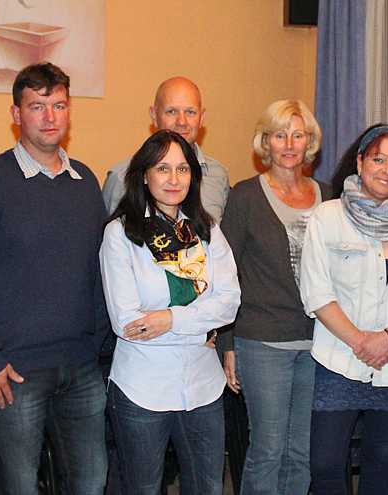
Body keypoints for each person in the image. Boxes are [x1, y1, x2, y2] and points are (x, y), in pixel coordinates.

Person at [0, 63, 109, 495]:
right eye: (37, 106)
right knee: (20, 485)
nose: (50, 116)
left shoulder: (85, 182)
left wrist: (95, 341)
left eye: (58, 105)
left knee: (91, 481)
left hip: (81, 365)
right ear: (16, 114)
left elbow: (99, 267)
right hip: (13, 372)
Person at [302, 124, 388, 495]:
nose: (387, 170)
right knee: (325, 464)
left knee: (381, 464)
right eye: (379, 159)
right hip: (338, 360)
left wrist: (387, 338)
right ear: (360, 162)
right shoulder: (327, 217)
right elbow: (316, 292)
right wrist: (361, 341)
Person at [100, 129, 241, 494]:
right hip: (142, 387)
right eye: (163, 169)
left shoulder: (206, 230)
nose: (174, 179)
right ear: (144, 175)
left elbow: (229, 302)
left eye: (182, 169)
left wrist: (170, 319)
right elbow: (128, 322)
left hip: (203, 386)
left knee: (207, 487)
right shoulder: (120, 234)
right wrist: (202, 326)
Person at [218, 99, 329, 495]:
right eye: (280, 135)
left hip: (319, 343)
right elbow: (225, 274)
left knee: (302, 452)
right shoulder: (245, 196)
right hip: (263, 342)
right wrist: (227, 344)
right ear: (265, 141)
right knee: (268, 450)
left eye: (298, 135)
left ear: (310, 142)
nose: (289, 144)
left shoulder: (330, 196)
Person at [101, 77, 231, 220]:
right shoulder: (121, 178)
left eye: (190, 112)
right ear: (154, 115)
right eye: (172, 111)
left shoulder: (217, 175)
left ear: (201, 118)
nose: (182, 122)